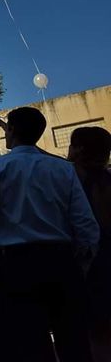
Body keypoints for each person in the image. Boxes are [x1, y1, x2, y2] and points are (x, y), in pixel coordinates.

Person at [0, 106, 100, 362]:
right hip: (60, 260)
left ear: (11, 130)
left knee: (20, 342)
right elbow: (85, 223)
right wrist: (81, 263)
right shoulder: (63, 169)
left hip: (16, 263)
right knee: (72, 338)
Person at [68, 126, 111, 361]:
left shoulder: (73, 183)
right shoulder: (105, 179)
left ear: (79, 150)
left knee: (92, 334)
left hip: (90, 265)